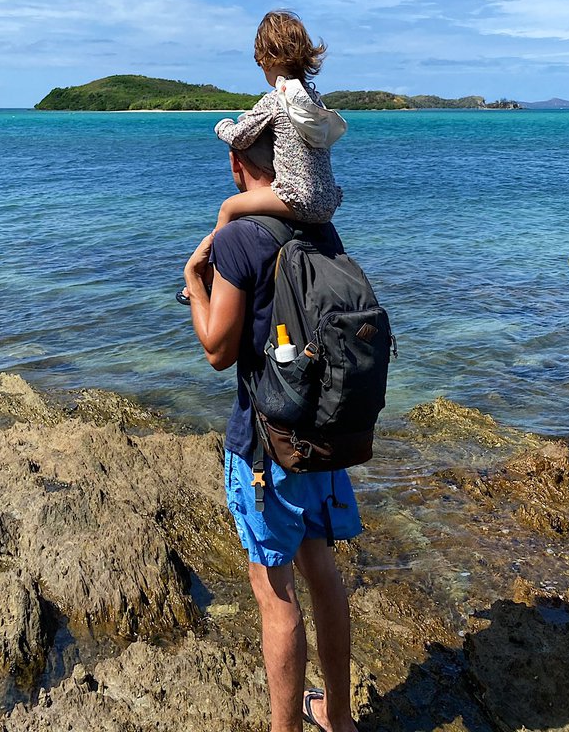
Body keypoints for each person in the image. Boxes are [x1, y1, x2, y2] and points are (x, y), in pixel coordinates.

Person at [183, 128, 361, 732]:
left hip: (267, 442)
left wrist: (195, 286)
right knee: (322, 569)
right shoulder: (320, 230)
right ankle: (338, 717)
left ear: (238, 164)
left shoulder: (236, 239)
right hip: (322, 431)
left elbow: (218, 349)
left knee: (274, 591)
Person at [212, 10, 346, 229]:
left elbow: (239, 138)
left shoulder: (276, 99)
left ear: (266, 60)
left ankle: (209, 262)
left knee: (228, 208)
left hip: (299, 200)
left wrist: (222, 125)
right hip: (328, 202)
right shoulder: (313, 100)